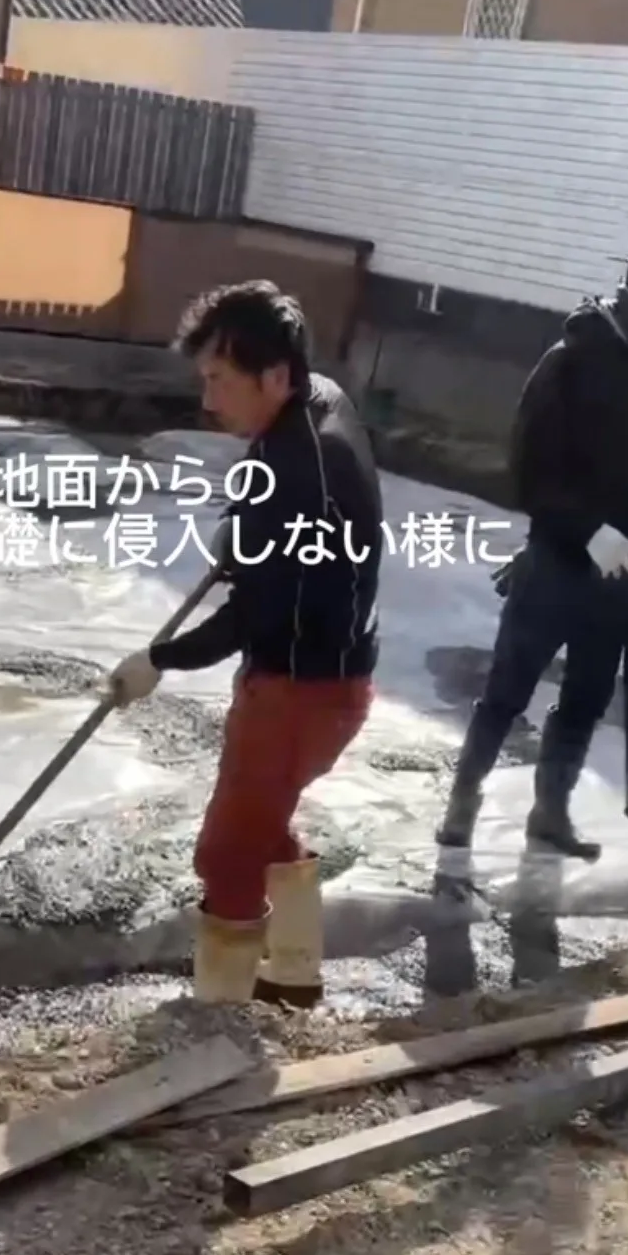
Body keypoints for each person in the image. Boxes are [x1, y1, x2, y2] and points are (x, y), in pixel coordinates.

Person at [108, 279, 383, 1006]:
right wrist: (245, 539)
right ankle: (293, 972)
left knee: (227, 853)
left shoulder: (293, 476)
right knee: (262, 823)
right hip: (328, 672)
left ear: (275, 376)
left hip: (301, 689)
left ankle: (218, 1017)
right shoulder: (319, 400)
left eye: (219, 380)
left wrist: (158, 660)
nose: (207, 401)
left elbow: (250, 617)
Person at [436, 226, 628, 863]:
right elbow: (530, 469)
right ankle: (461, 806)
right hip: (556, 566)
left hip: (620, 577)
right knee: (507, 691)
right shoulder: (573, 357)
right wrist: (591, 534)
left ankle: (550, 813)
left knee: (584, 700)